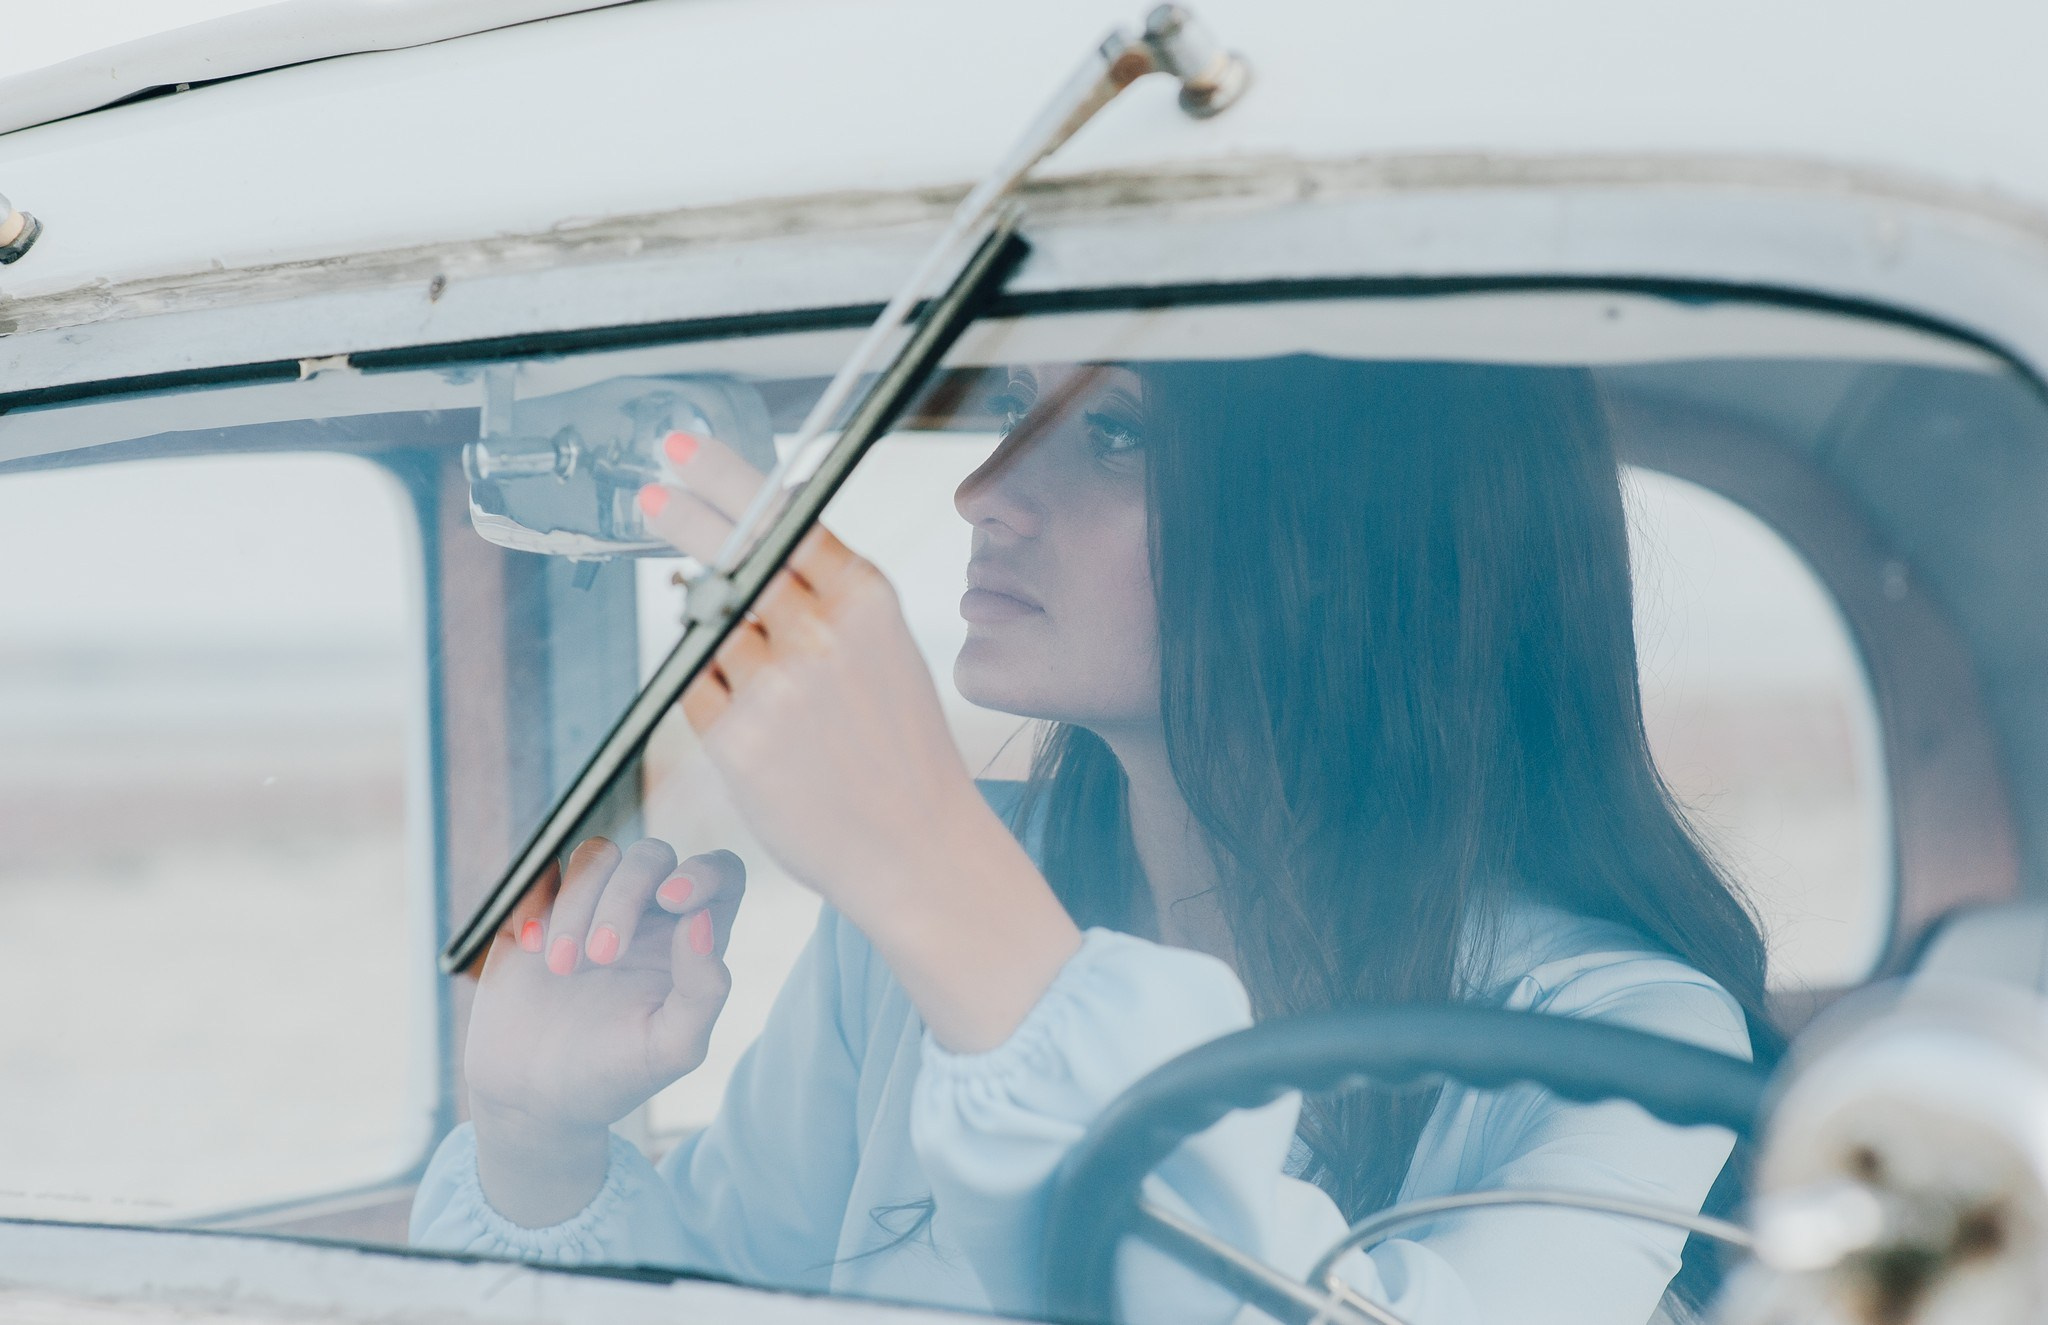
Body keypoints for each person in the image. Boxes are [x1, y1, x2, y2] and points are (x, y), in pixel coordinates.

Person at [411, 356, 1768, 1325]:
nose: (986, 490)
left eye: (1114, 432)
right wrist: (537, 1142)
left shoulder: (1625, 1030)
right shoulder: (956, 886)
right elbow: (731, 1272)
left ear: (1353, 533)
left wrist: (926, 862)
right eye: (1013, 408)